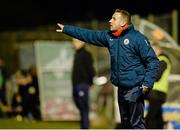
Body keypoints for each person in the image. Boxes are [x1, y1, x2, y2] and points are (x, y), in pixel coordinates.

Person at [56, 9, 159, 129]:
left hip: (135, 88)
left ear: (122, 22)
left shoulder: (138, 38)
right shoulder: (110, 37)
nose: (110, 21)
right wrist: (67, 29)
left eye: (114, 18)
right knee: (125, 125)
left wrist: (147, 84)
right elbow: (89, 35)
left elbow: (153, 61)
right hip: (121, 89)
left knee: (136, 124)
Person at [145, 45, 171, 129]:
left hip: (156, 93)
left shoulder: (162, 60)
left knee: (150, 117)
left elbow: (156, 76)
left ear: (158, 50)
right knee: (157, 116)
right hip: (155, 93)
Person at [71, 38, 95, 129]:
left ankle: (85, 127)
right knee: (80, 106)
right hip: (76, 85)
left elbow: (91, 70)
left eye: (75, 41)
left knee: (84, 107)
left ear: (82, 42)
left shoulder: (86, 55)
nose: (73, 44)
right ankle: (83, 126)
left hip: (83, 84)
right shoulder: (76, 54)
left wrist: (91, 82)